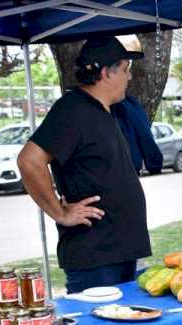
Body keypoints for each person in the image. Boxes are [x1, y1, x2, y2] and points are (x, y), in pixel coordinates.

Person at [17, 36, 150, 292]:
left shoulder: (104, 111)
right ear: (105, 73)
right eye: (125, 70)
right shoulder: (72, 110)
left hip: (118, 252)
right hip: (96, 257)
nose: (129, 78)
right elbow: (29, 161)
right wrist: (60, 212)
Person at [112, 94, 163, 174]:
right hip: (125, 167)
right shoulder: (126, 105)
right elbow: (145, 135)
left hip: (124, 167)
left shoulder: (126, 106)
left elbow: (145, 135)